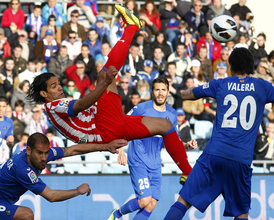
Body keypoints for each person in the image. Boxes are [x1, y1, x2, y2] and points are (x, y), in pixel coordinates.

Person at [28, 5, 194, 179]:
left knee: (165, 125)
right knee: (102, 76)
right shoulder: (53, 106)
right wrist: (105, 83)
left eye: (57, 83)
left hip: (110, 130)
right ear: (44, 94)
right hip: (104, 128)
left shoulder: (55, 112)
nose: (60, 87)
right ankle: (131, 28)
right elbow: (81, 104)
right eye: (54, 86)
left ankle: (187, 172)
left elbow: (74, 148)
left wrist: (105, 146)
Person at [164, 47, 274, 220]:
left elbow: (187, 94)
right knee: (242, 213)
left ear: (231, 65)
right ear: (251, 65)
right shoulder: (263, 87)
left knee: (183, 200)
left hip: (214, 155)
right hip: (240, 159)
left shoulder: (220, 84)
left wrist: (182, 92)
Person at [0, 132, 128, 219]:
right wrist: (78, 191)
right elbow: (51, 196)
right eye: (39, 153)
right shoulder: (23, 169)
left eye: (46, 153)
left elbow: (71, 150)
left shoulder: (41, 155)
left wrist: (105, 147)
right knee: (27, 214)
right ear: (28, 150)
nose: (43, 158)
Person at [108, 78, 197, 220]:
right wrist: (120, 151)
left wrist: (187, 145)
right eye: (157, 90)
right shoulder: (141, 109)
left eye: (163, 90)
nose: (160, 93)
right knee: (144, 200)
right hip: (138, 159)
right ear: (152, 92)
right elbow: (120, 126)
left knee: (151, 204)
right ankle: (117, 214)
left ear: (168, 92)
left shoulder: (172, 114)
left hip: (155, 163)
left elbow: (173, 141)